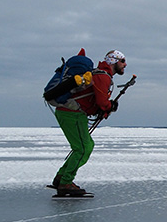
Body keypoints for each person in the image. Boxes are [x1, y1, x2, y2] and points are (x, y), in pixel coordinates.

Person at [52, 49, 127, 195]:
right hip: (72, 113)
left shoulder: (100, 74)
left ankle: (61, 177)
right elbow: (101, 101)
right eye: (122, 61)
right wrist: (108, 106)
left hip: (71, 113)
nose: (125, 64)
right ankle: (65, 182)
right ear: (113, 61)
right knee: (83, 148)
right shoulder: (103, 77)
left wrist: (105, 107)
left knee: (85, 146)